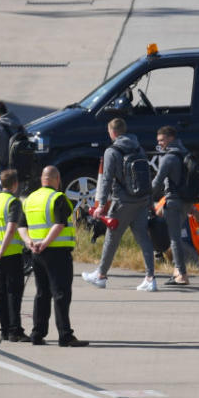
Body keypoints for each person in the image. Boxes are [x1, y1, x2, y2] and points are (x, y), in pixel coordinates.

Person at [82, 118, 157, 291]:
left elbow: (107, 179)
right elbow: (147, 176)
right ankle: (150, 278)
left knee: (111, 238)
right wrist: (150, 202)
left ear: (113, 132)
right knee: (144, 239)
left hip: (122, 202)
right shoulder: (138, 147)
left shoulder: (112, 151)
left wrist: (100, 204)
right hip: (141, 200)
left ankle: (101, 275)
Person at [19, 166, 87, 346]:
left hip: (36, 253)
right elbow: (59, 224)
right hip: (56, 253)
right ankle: (65, 335)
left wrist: (29, 242)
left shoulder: (30, 199)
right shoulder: (58, 198)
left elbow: (21, 226)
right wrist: (46, 242)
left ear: (43, 179)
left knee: (42, 293)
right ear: (57, 179)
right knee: (61, 294)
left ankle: (37, 333)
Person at [0, 169, 29, 342]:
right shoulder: (13, 203)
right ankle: (15, 330)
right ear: (15, 184)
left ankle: (4, 329)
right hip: (11, 254)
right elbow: (11, 229)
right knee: (14, 293)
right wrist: (2, 250)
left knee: (0, 292)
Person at [152, 125, 193, 286]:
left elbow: (157, 182)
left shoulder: (169, 157)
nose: (160, 144)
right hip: (186, 201)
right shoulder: (185, 153)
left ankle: (182, 275)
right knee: (176, 237)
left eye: (162, 140)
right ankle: (177, 271)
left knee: (174, 239)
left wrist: (143, 194)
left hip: (174, 201)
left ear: (170, 138)